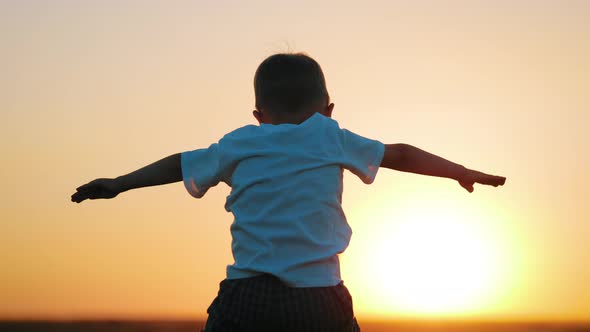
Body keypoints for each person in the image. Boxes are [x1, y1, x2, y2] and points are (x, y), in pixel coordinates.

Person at [71, 53, 506, 331]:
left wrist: (120, 184)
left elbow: (179, 164)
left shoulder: (240, 142)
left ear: (259, 114)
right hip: (319, 299)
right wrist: (459, 171)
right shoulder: (329, 135)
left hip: (247, 298)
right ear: (328, 110)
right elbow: (402, 154)